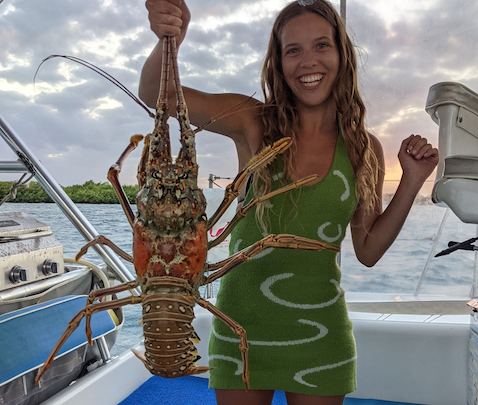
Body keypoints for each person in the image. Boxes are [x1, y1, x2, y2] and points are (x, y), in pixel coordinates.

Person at [139, 1, 439, 404]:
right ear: (278, 64)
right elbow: (156, 96)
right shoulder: (252, 121)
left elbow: (367, 250)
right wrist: (171, 38)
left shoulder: (363, 149)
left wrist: (412, 182)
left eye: (321, 45)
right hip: (240, 328)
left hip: (319, 335)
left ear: (341, 55)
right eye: (292, 50)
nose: (307, 61)